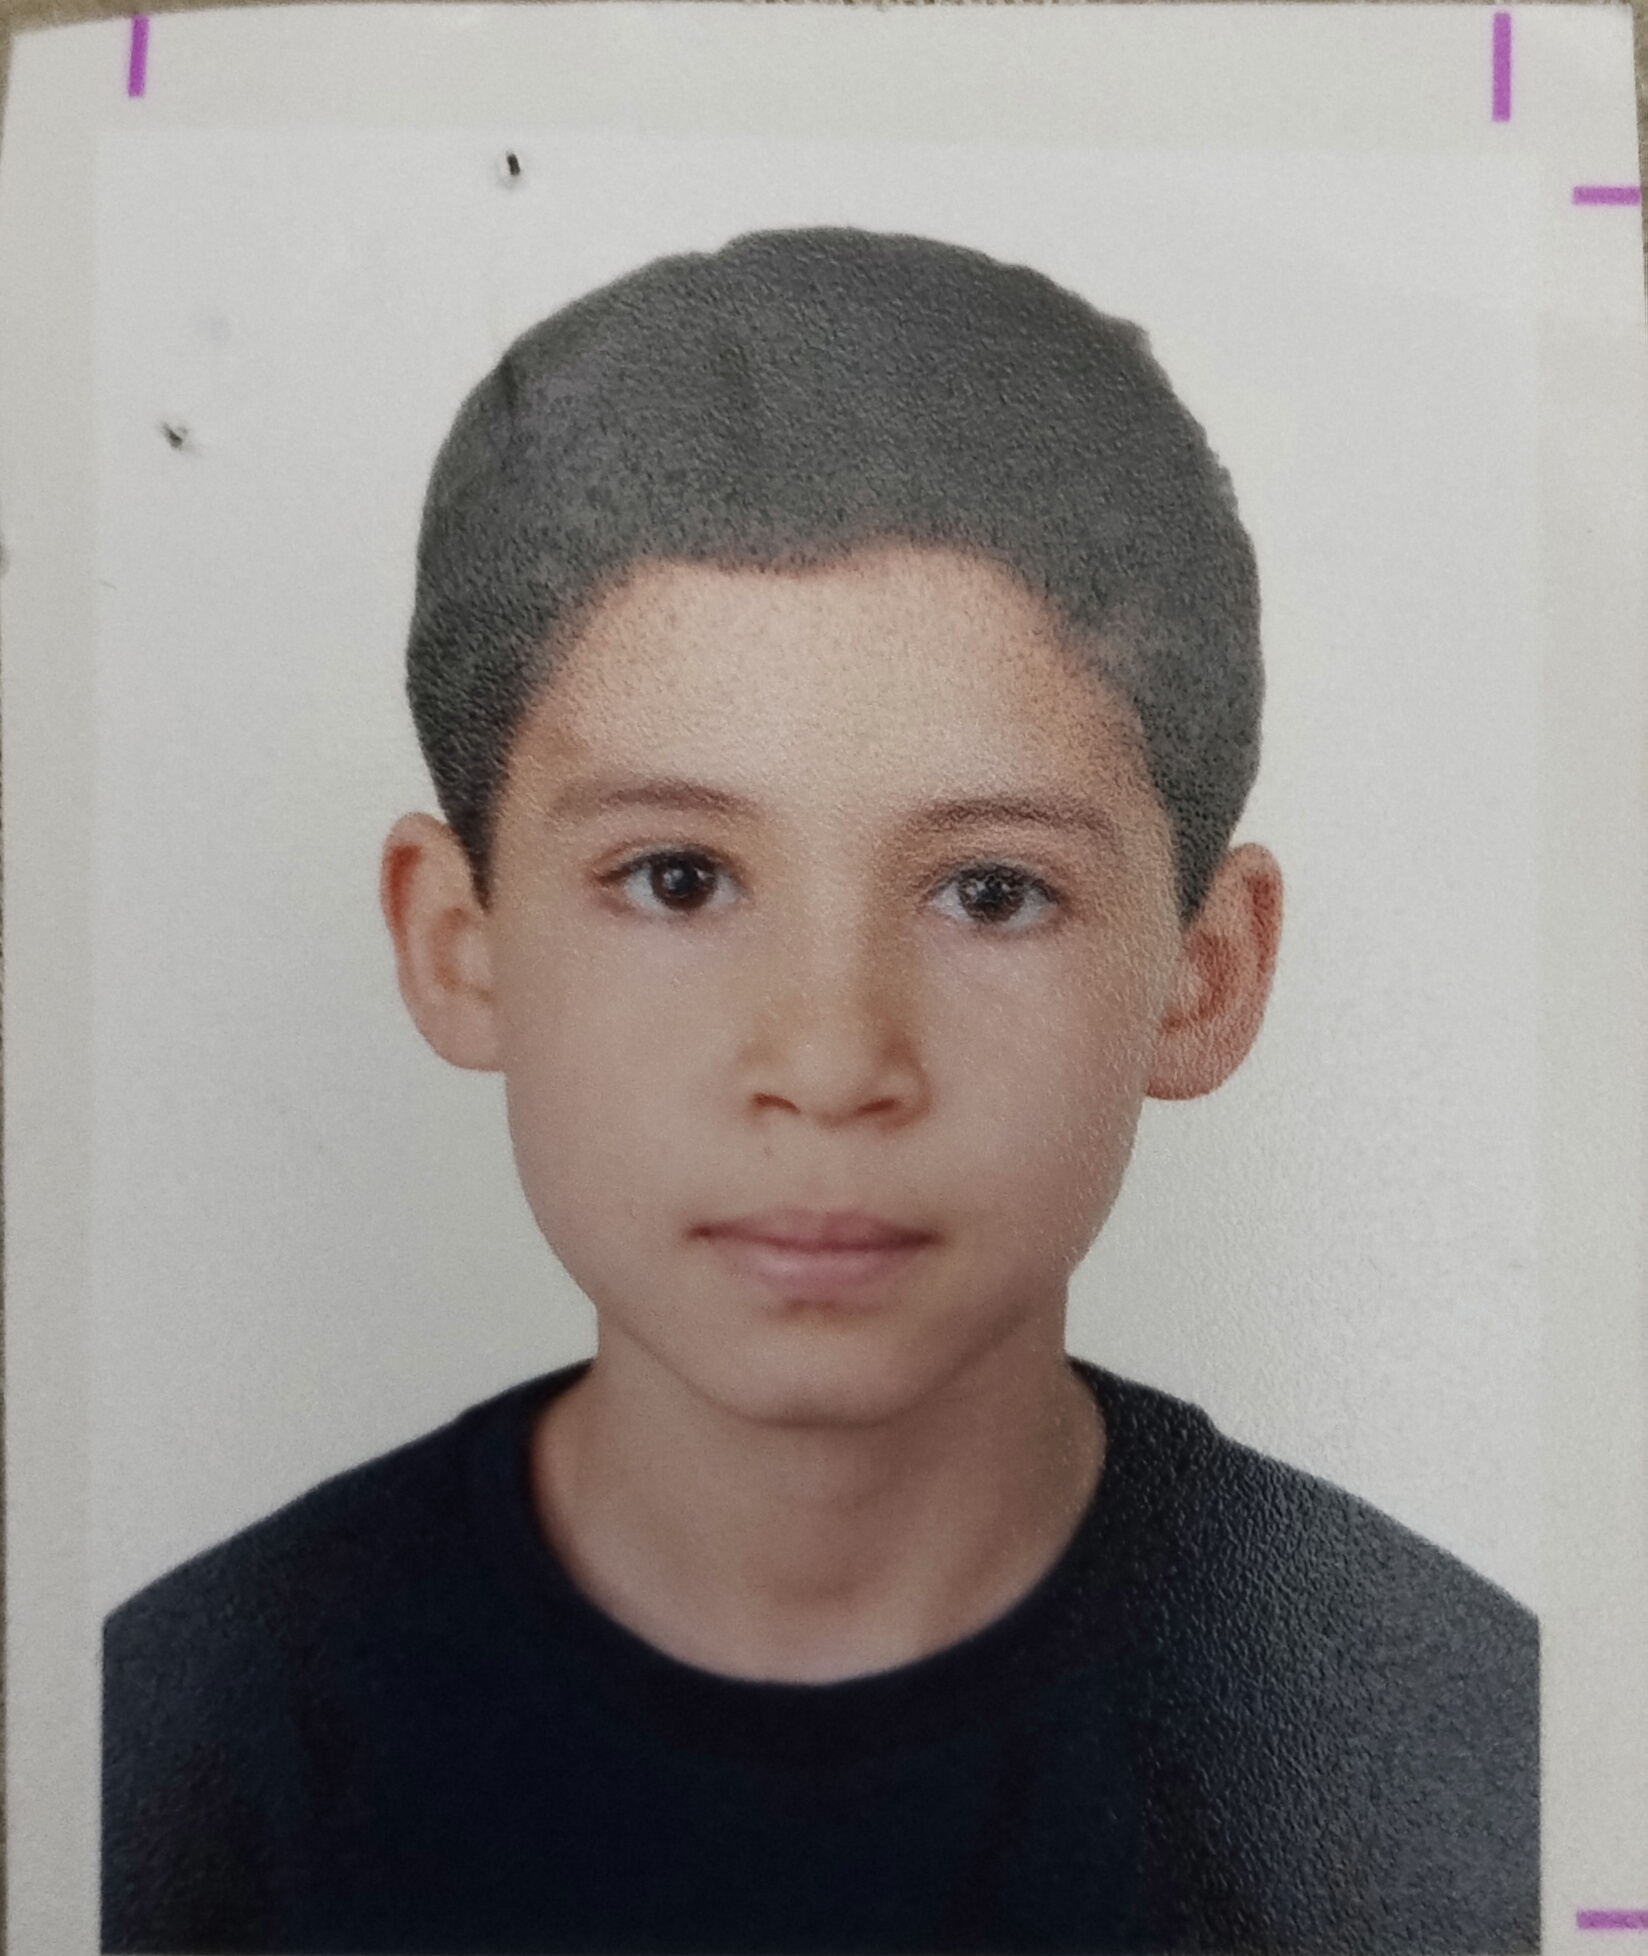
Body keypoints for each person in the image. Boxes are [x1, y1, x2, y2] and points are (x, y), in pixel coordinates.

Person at [102, 227, 1538, 1955]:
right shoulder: (153, 1763)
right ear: (458, 944)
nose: (833, 1063)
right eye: (679, 879)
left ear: (1203, 974)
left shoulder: (1492, 1767)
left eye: (991, 892)